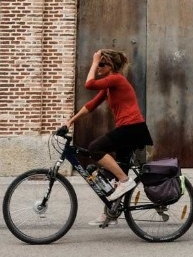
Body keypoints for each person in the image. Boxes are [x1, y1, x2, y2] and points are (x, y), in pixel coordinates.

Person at [66, 49, 154, 226]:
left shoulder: (116, 79)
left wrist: (93, 60)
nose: (98, 67)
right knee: (112, 173)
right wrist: (70, 121)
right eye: (98, 64)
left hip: (132, 128)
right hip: (128, 129)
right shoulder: (109, 86)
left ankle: (125, 180)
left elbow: (89, 84)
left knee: (95, 148)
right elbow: (91, 105)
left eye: (101, 64)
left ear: (110, 66)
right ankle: (111, 213)